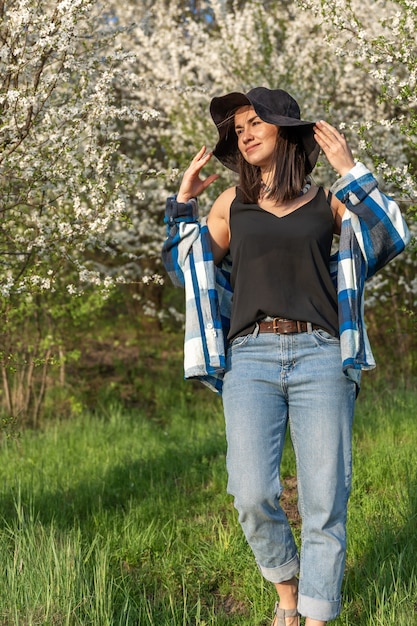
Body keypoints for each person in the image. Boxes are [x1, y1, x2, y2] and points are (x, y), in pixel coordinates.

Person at [161, 87, 410, 626]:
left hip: (321, 355)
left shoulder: (330, 201)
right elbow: (190, 273)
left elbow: (389, 238)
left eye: (255, 123)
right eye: (238, 129)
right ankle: (288, 595)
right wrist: (183, 205)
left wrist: (351, 172)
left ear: (286, 132)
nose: (244, 133)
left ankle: (313, 616)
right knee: (250, 492)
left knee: (324, 497)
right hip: (249, 358)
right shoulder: (232, 203)